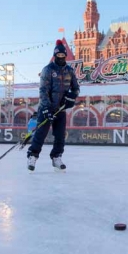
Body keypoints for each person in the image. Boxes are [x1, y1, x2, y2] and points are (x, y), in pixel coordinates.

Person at [26, 40, 80, 171]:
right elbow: (43, 91)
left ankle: (56, 157)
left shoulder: (69, 71)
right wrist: (46, 108)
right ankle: (32, 156)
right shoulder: (47, 70)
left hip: (60, 109)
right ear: (55, 56)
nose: (61, 58)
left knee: (60, 135)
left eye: (63, 56)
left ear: (65, 56)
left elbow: (76, 88)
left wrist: (71, 98)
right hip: (47, 108)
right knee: (41, 133)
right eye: (58, 56)